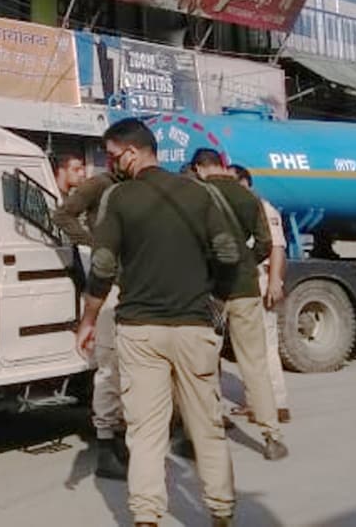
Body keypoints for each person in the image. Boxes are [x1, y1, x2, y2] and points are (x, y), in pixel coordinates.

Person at [76, 118, 240, 527]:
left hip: (139, 330)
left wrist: (89, 319)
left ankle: (147, 518)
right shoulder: (200, 193)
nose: (110, 164)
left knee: (145, 433)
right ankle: (221, 512)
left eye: (113, 156)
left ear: (132, 152)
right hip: (194, 327)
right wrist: (216, 300)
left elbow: (102, 265)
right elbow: (228, 253)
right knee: (207, 427)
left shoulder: (119, 199)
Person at [190, 149, 287, 461]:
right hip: (245, 288)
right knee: (254, 363)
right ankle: (272, 436)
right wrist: (245, 263)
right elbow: (264, 243)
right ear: (221, 165)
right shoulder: (250, 198)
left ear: (198, 168)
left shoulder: (196, 194)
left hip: (210, 292)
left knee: (204, 362)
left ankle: (208, 429)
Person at [53, 165, 125, 479]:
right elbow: (64, 214)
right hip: (109, 283)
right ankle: (108, 445)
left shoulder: (138, 186)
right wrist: (94, 244)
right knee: (109, 365)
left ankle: (121, 437)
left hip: (133, 284)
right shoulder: (99, 184)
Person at [232, 164, 291, 424]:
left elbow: (276, 247)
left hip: (259, 279)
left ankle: (275, 404)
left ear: (246, 183)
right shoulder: (239, 207)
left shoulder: (262, 208)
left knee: (264, 344)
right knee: (249, 346)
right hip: (245, 281)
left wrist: (275, 282)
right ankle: (258, 402)